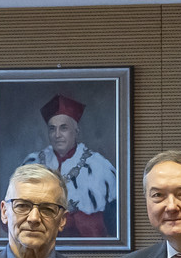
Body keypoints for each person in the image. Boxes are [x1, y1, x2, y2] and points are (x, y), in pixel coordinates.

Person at [23, 94, 117, 238]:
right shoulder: (32, 163)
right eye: (52, 129)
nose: (57, 135)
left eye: (63, 128)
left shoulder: (99, 166)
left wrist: (78, 220)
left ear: (76, 131)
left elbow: (113, 224)